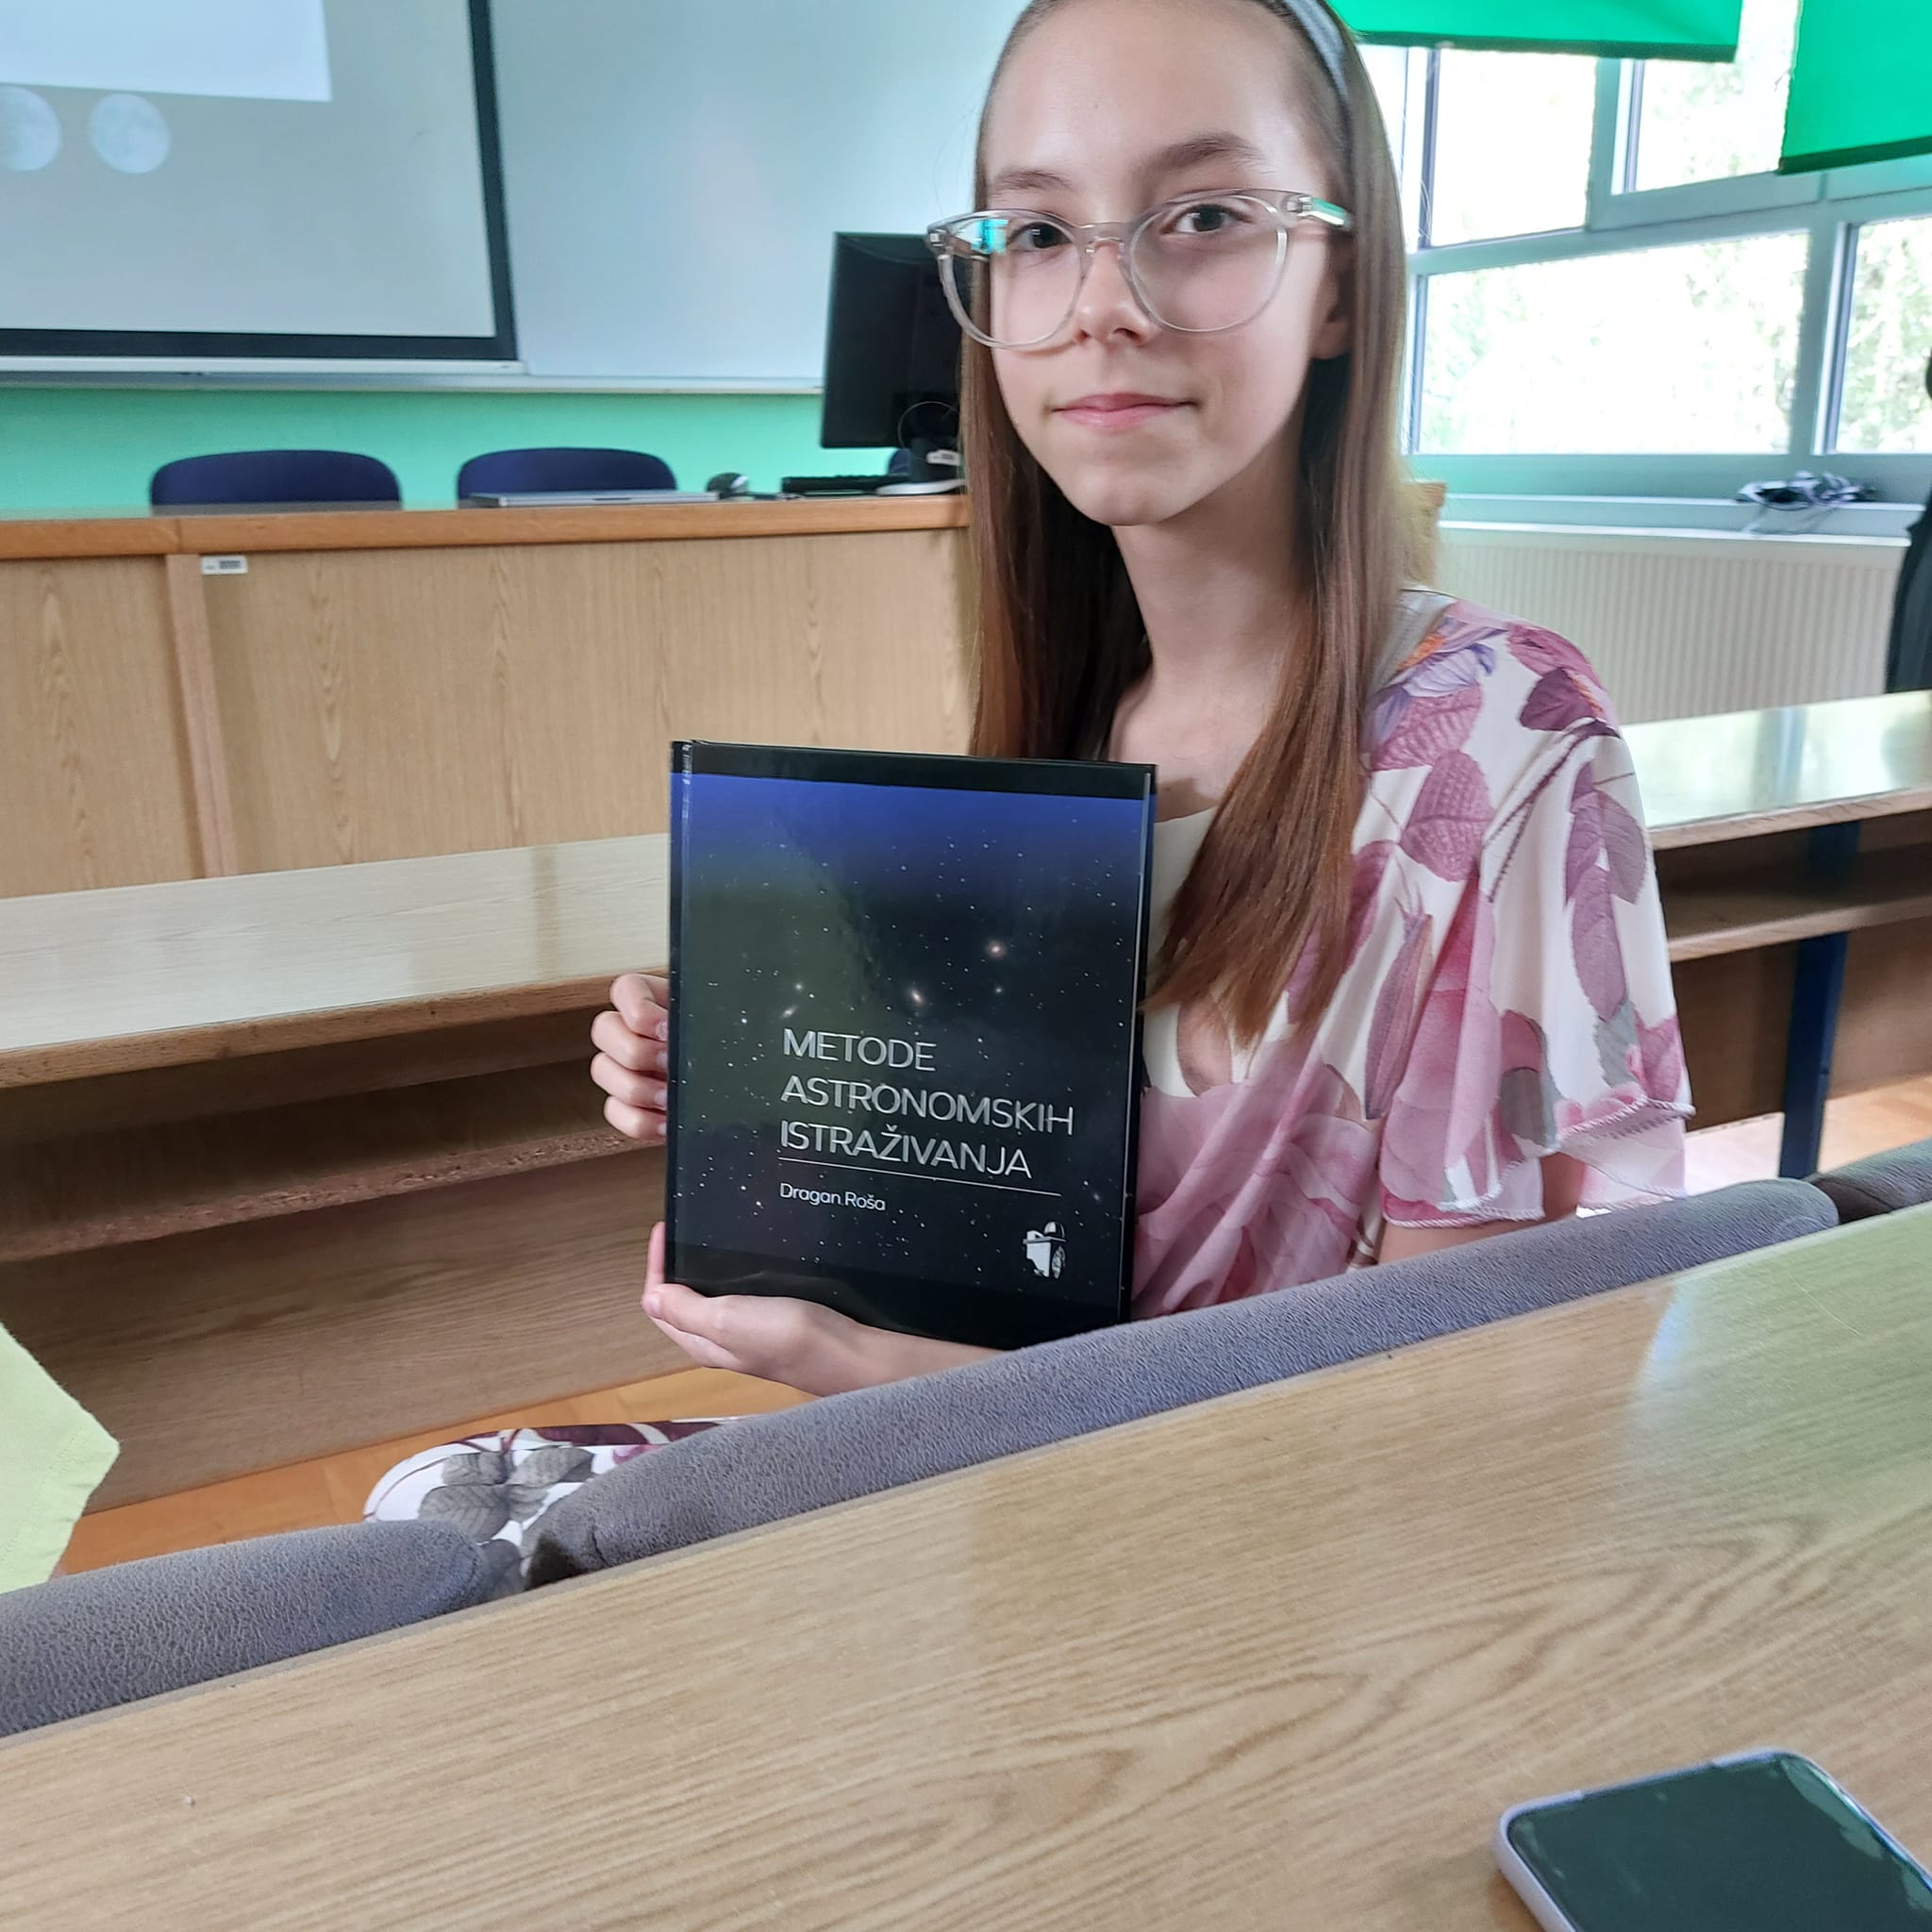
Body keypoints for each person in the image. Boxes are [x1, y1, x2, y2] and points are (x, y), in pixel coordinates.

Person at [375, 0, 1689, 1560]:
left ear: (1343, 283)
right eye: (1040, 233)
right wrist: (772, 1079)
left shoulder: (1502, 740)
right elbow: (1011, 1231)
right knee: (433, 1513)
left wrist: (872, 1372)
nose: (1100, 307)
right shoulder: (1081, 727)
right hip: (1029, 1490)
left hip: (1245, 1575)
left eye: (1203, 216)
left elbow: (1431, 1444)